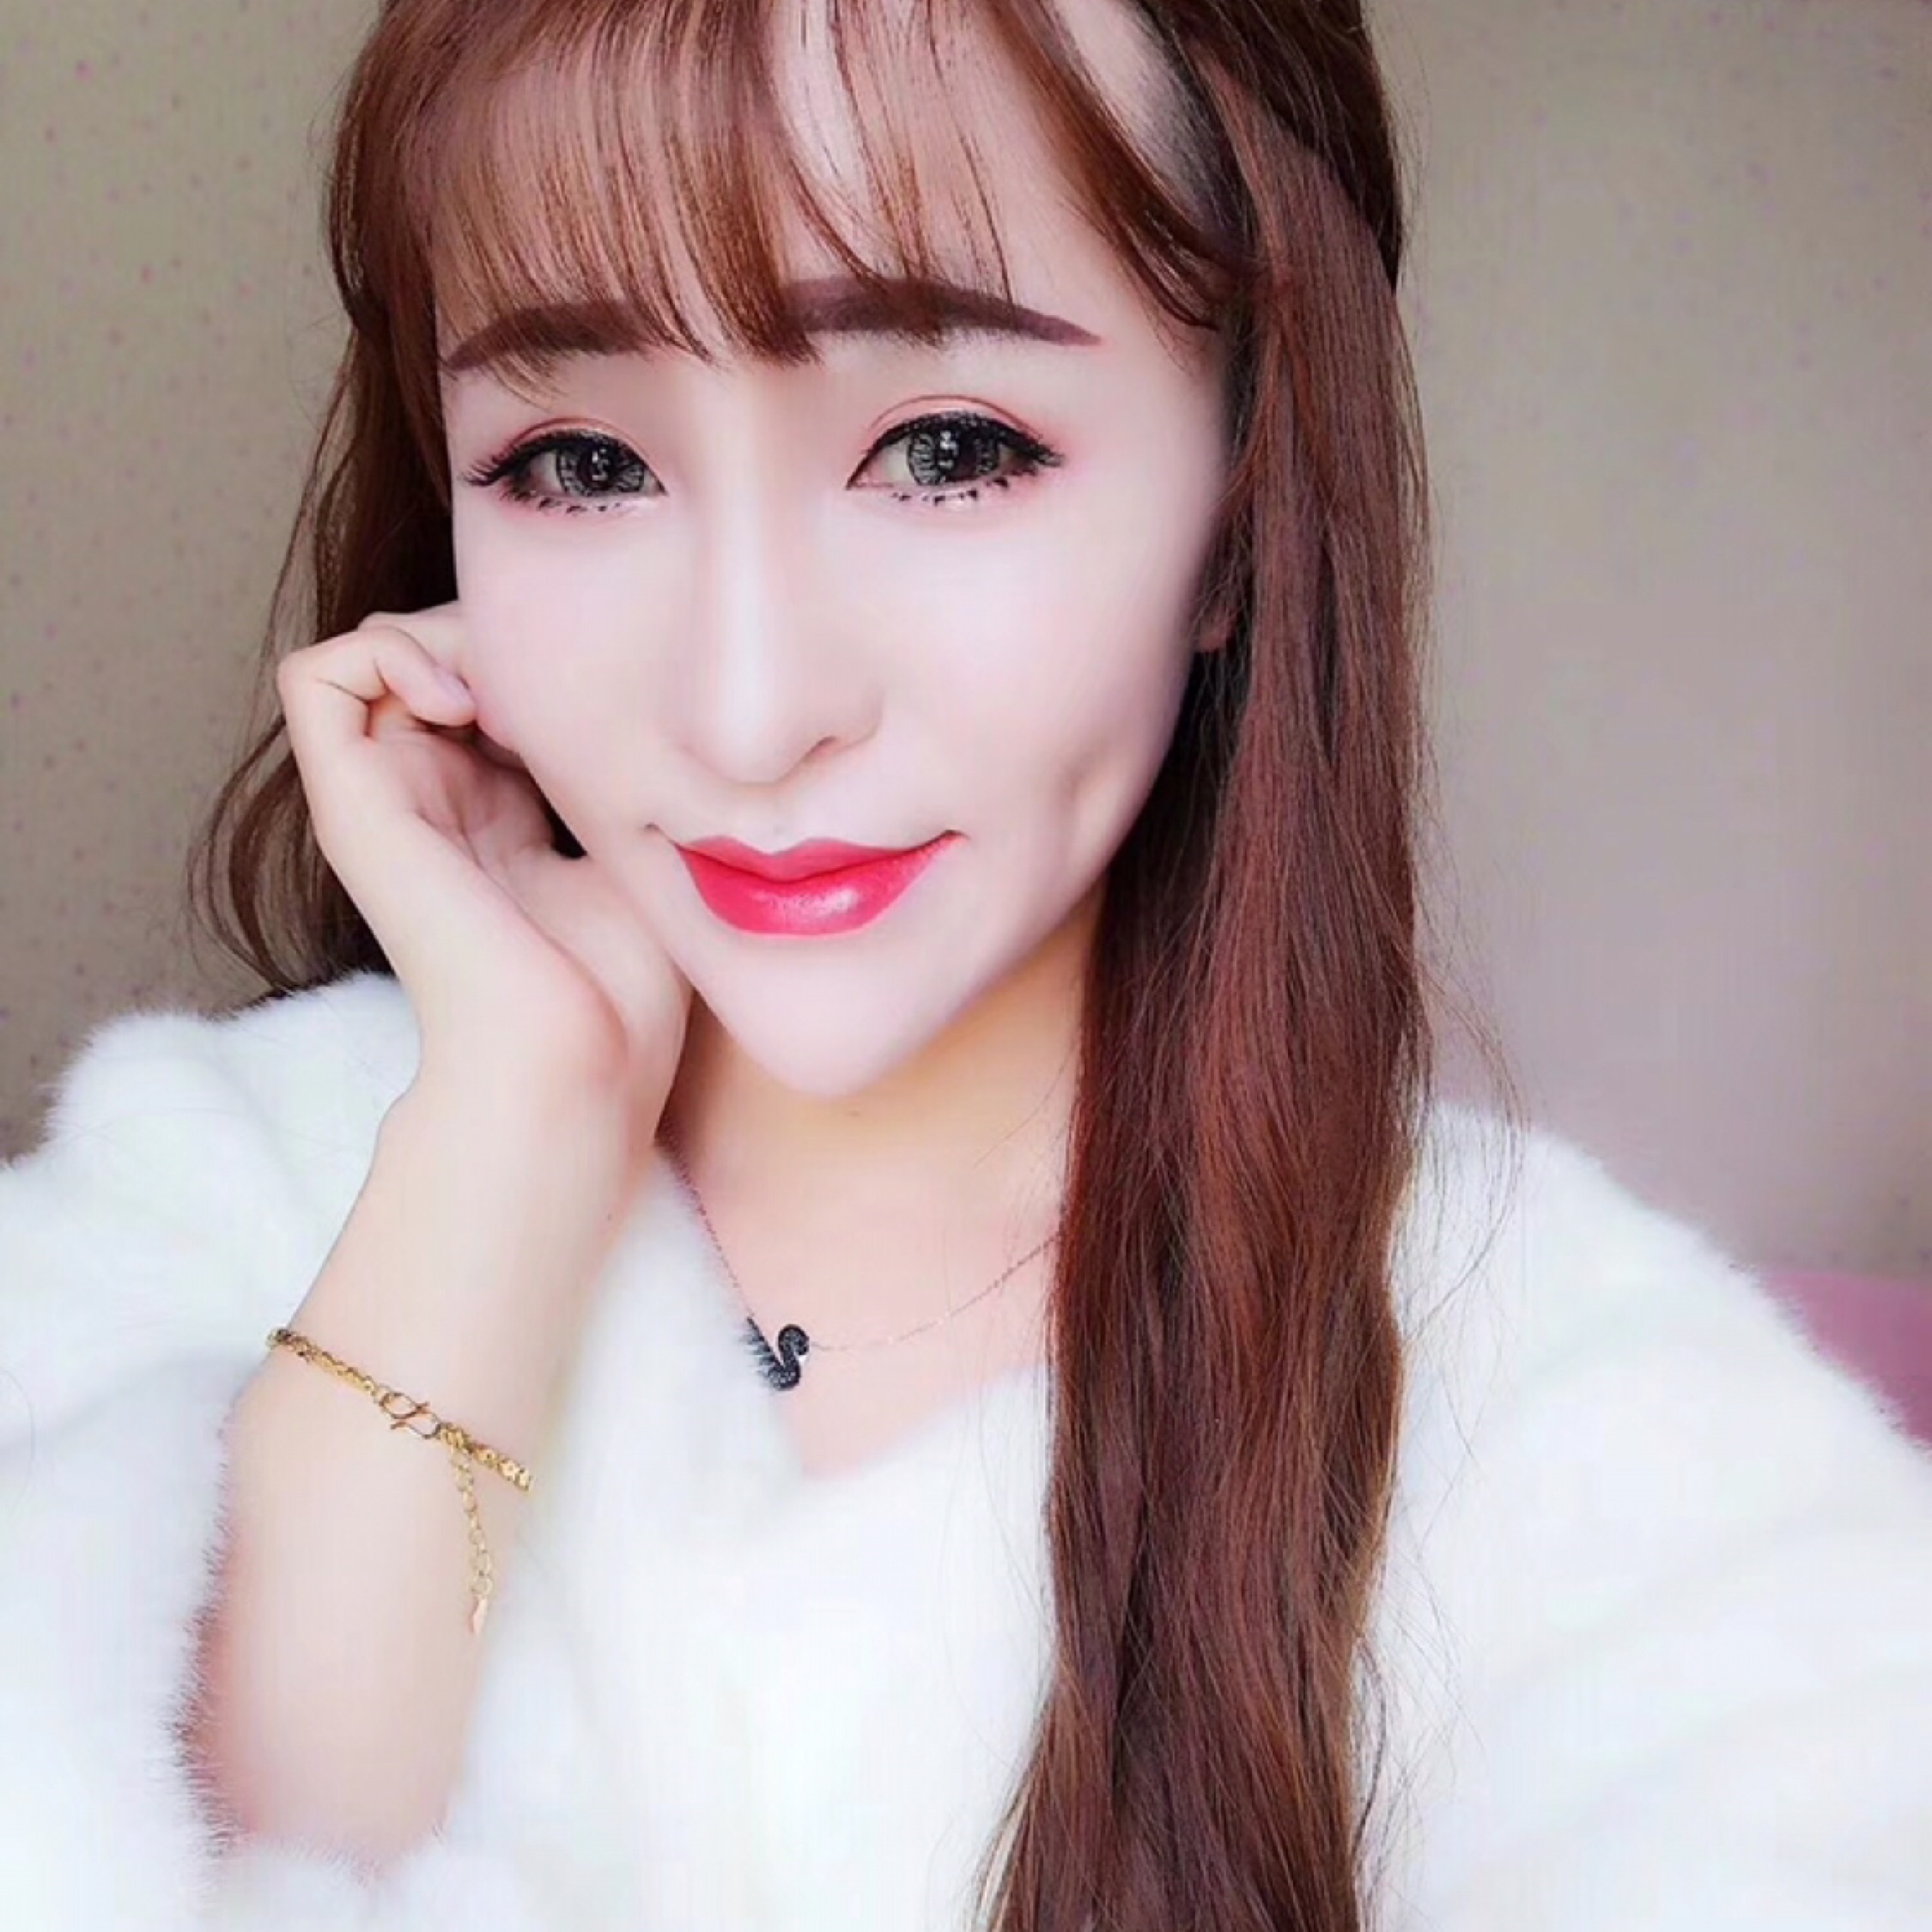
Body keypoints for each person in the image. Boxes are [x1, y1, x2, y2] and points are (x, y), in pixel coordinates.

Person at [3, 0, 1931, 1926]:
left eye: (947, 449)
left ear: (1244, 507)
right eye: (581, 464)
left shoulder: (1597, 1436)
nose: (748, 710)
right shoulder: (213, 1206)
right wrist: (509, 1129)